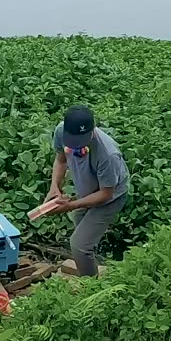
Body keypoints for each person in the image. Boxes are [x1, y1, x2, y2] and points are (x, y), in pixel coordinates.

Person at [43, 104, 129, 277]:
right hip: (87, 190)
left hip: (111, 197)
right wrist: (54, 187)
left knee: (79, 245)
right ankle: (91, 266)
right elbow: (61, 160)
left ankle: (91, 286)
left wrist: (71, 205)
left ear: (93, 130)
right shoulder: (61, 131)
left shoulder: (108, 154)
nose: (76, 146)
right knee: (81, 233)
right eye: (72, 142)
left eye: (80, 141)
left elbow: (106, 193)